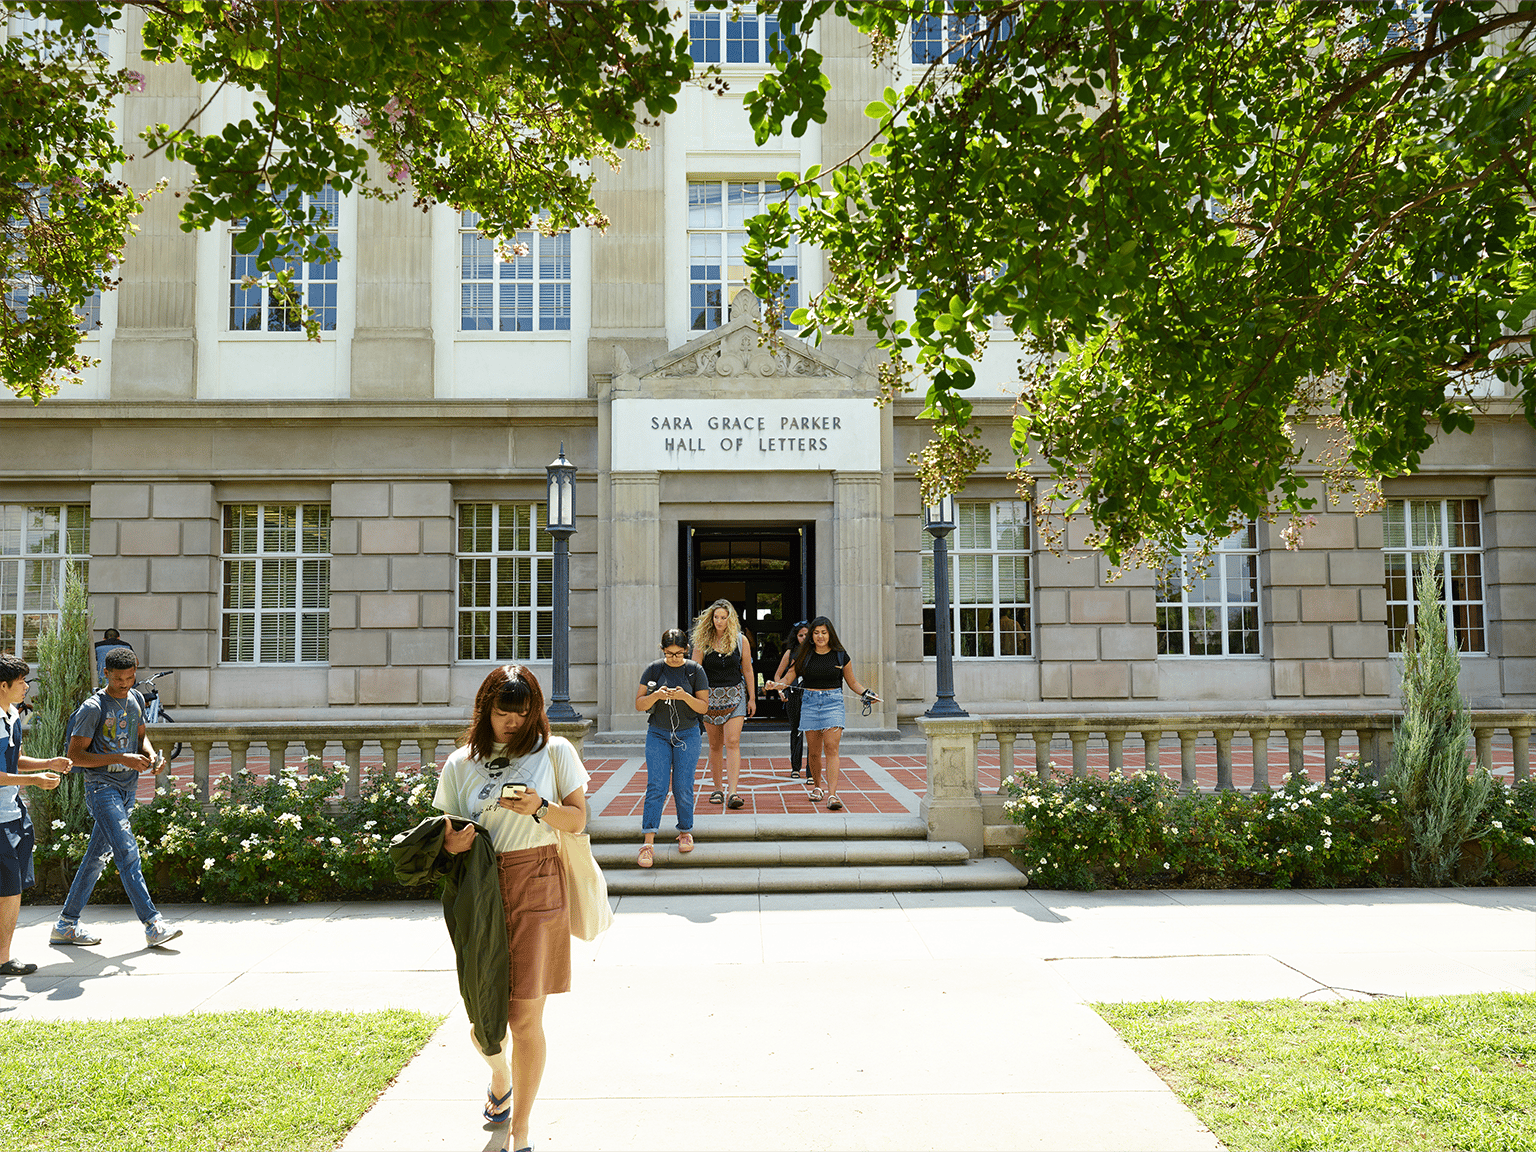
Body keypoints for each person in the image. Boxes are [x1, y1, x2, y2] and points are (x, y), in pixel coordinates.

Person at [434, 664, 589, 1152]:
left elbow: (578, 821)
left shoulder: (555, 751)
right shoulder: (460, 763)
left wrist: (540, 807)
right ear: (486, 711)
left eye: (521, 715)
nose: (512, 724)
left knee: (524, 1019)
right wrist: (453, 843)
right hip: (479, 887)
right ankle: (500, 1075)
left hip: (537, 881)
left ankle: (520, 1131)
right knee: (486, 1022)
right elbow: (445, 834)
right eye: (503, 713)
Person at [52, 648, 181, 949]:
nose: (124, 684)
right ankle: (153, 924)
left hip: (127, 789)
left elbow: (141, 737)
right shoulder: (92, 708)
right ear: (106, 673)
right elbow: (75, 756)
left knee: (96, 858)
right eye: (118, 679)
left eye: (130, 678)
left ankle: (65, 924)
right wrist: (121, 757)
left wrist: (151, 756)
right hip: (101, 789)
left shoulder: (135, 699)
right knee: (127, 853)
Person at [766, 615, 880, 812]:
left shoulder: (840, 655)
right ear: (812, 635)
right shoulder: (804, 654)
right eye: (816, 633)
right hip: (809, 703)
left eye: (824, 633)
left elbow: (852, 682)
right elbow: (788, 678)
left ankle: (832, 794)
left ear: (830, 634)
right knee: (814, 751)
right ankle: (817, 787)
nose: (820, 636)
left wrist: (867, 693)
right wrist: (775, 685)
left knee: (831, 747)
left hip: (833, 703)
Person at [0, 656, 64, 977]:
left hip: (13, 814)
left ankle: (2, 958)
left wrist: (48, 763)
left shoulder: (11, 715)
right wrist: (35, 780)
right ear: (3, 685)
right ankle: (2, 959)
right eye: (21, 681)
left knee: (11, 890)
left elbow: (15, 760)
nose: (26, 686)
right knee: (9, 890)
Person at [634, 628, 709, 867]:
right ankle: (648, 843)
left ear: (686, 649)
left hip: (688, 733)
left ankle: (685, 831)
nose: (674, 658)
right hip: (658, 733)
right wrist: (656, 695)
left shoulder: (695, 670)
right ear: (662, 650)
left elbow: (704, 707)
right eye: (669, 653)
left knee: (682, 785)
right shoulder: (654, 669)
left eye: (678, 653)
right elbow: (639, 704)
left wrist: (685, 697)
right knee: (656, 785)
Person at [690, 599, 755, 809]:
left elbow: (748, 670)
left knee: (733, 741)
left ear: (730, 619)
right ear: (711, 619)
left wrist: (752, 698)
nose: (719, 621)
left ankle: (733, 792)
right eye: (716, 617)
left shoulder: (740, 640)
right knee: (715, 745)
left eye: (723, 617)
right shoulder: (702, 642)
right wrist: (695, 700)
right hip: (710, 698)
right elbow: (695, 671)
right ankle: (717, 789)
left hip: (736, 695)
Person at [773, 621, 810, 779]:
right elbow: (778, 675)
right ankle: (795, 767)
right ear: (796, 637)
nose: (804, 638)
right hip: (794, 695)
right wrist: (780, 690)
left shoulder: (816, 651)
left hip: (811, 696)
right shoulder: (790, 653)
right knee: (796, 731)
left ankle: (811, 771)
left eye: (806, 635)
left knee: (812, 733)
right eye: (801, 635)